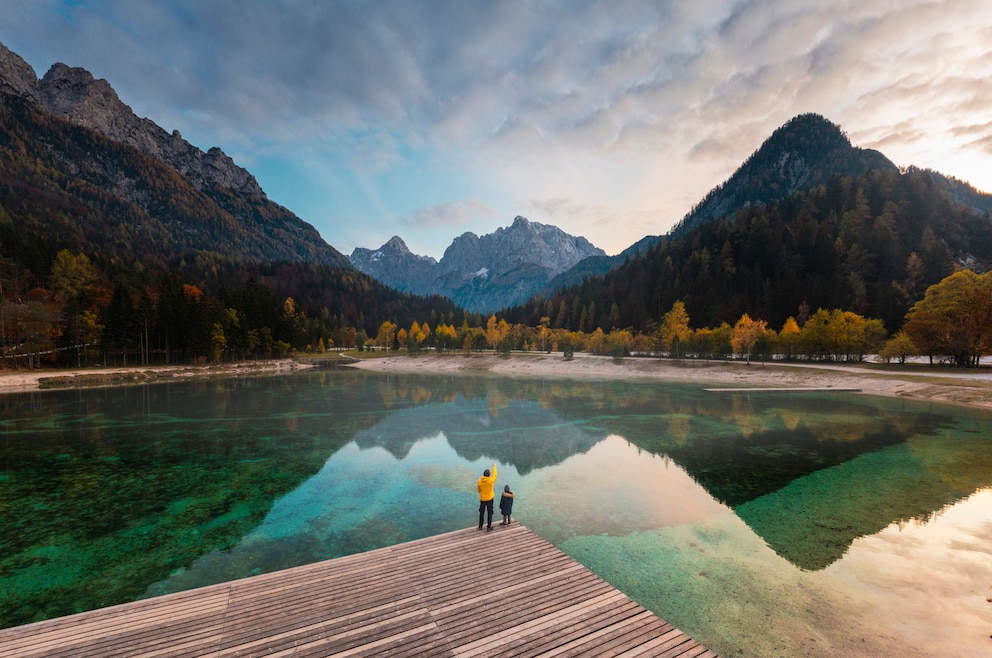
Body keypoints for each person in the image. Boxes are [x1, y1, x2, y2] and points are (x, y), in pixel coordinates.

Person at [477, 462, 497, 531]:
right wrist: (494, 467)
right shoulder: (490, 481)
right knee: (489, 513)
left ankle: (480, 526)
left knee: (481, 513)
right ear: (489, 475)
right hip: (490, 499)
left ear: (483, 475)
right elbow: (494, 475)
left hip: (482, 499)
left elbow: (478, 490)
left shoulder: (479, 481)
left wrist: (482, 492)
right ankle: (489, 527)